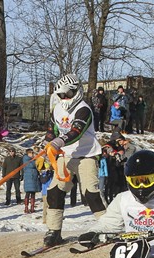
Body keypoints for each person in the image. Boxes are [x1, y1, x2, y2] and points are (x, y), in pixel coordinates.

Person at [43, 74, 106, 246]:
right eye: (61, 95)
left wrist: (58, 141)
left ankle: (108, 228)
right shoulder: (56, 109)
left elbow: (76, 130)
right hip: (67, 155)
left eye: (67, 94)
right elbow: (52, 129)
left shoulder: (84, 109)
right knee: (54, 191)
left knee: (90, 194)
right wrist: (48, 144)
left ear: (76, 91)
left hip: (87, 154)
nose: (64, 98)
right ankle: (54, 231)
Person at [22, 149, 41, 213]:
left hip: (34, 178)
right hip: (29, 178)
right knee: (28, 193)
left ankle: (32, 207)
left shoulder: (33, 160)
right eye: (31, 153)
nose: (32, 154)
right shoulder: (26, 160)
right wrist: (36, 161)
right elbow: (32, 165)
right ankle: (26, 207)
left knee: (33, 193)